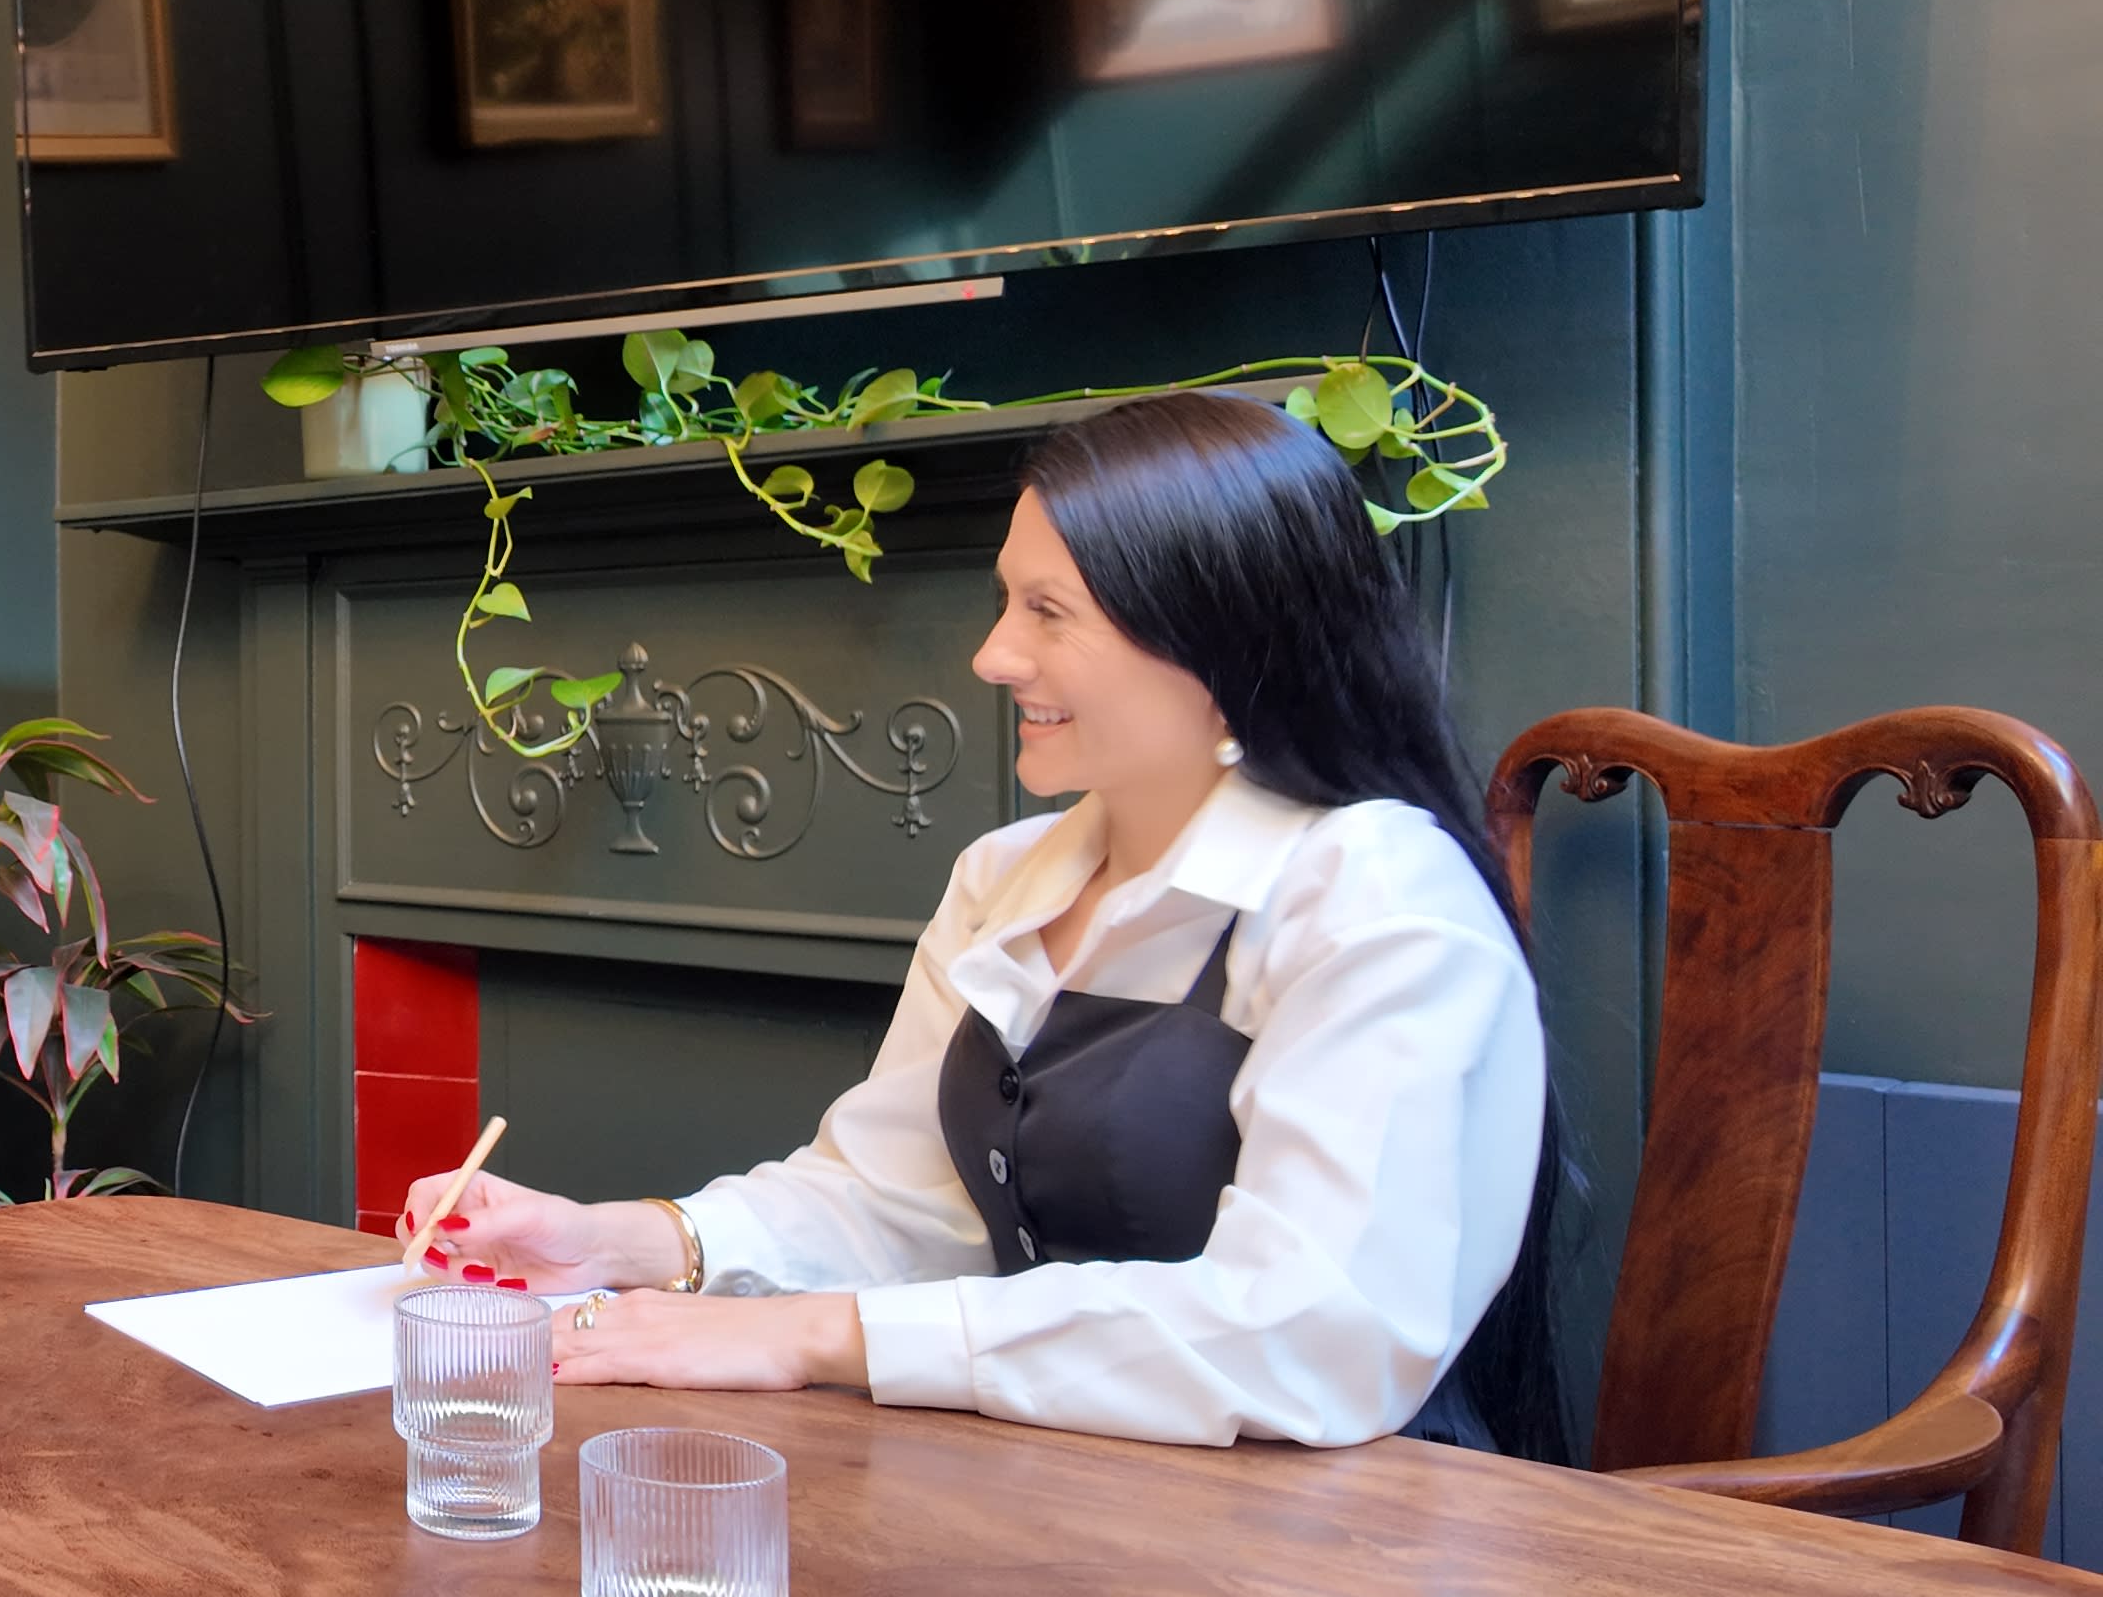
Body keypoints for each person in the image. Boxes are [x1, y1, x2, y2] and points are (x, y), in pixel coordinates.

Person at [407, 391, 1559, 1453]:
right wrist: (632, 1244)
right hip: (1068, 1502)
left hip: (1343, 1564)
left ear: (1221, 645)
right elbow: (896, 1204)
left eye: (1048, 612)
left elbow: (1313, 1331)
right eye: (1006, 601)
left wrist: (814, 1336)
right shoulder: (1005, 878)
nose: (993, 655)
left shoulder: (1381, 899)